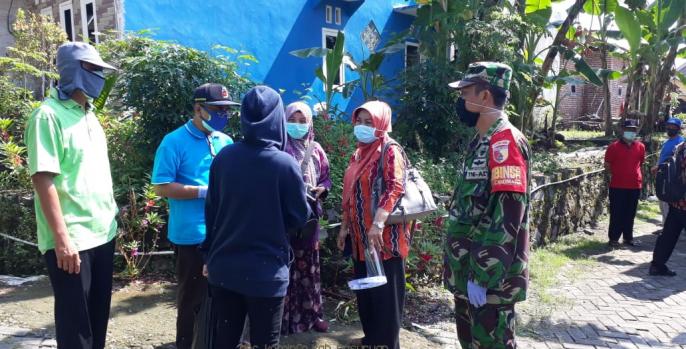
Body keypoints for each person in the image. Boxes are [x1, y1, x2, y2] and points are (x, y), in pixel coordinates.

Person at [24, 42, 118, 349]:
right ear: (72, 71)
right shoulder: (47, 116)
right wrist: (62, 241)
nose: (99, 77)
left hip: (103, 233)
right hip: (72, 241)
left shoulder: (89, 114)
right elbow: (43, 179)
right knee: (76, 328)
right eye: (93, 69)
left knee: (97, 321)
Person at [201, 85, 310, 349]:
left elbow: (212, 212)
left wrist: (207, 256)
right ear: (277, 119)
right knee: (264, 343)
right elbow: (299, 217)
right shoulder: (284, 164)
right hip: (266, 273)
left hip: (224, 268)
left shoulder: (224, 158)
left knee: (224, 340)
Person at [443, 62, 530, 349]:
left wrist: (482, 276)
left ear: (484, 96)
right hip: (469, 273)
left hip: (490, 282)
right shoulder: (482, 141)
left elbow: (506, 216)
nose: (461, 100)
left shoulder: (504, 143)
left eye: (465, 92)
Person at [151, 83, 236, 348]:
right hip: (191, 235)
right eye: (216, 109)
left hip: (222, 234)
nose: (223, 115)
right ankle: (185, 343)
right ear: (198, 109)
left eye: (226, 110)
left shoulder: (226, 141)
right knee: (191, 299)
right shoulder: (174, 141)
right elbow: (161, 185)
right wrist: (202, 192)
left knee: (222, 298)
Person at [336, 100, 409, 349]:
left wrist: (377, 224)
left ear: (382, 124)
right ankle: (371, 340)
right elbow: (350, 191)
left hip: (384, 240)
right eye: (360, 121)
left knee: (386, 298)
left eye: (370, 122)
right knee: (366, 294)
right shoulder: (358, 152)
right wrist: (345, 226)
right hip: (359, 239)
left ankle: (387, 343)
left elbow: (395, 186)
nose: (363, 127)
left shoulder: (389, 150)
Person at [282, 102, 331, 334]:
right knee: (287, 268)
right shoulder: (279, 147)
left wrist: (322, 188)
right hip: (285, 220)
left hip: (309, 220)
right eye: (293, 120)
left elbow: (326, 177)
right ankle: (284, 319)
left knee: (309, 268)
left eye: (303, 121)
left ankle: (312, 315)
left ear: (310, 123)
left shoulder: (316, 148)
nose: (298, 125)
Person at [604, 119, 645, 248]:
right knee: (617, 212)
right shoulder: (613, 147)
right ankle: (614, 238)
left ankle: (628, 238)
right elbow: (607, 165)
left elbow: (641, 163)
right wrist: (618, 174)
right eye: (628, 129)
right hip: (618, 185)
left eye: (633, 130)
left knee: (630, 213)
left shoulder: (640, 147)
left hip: (635, 185)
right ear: (622, 130)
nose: (631, 132)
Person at [652, 117, 684, 224]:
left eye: (673, 127)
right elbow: (663, 156)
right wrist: (657, 166)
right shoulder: (666, 142)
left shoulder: (681, 142)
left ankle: (667, 226)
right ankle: (664, 224)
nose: (670, 128)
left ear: (678, 129)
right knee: (662, 200)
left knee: (667, 200)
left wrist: (660, 167)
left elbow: (675, 160)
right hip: (662, 174)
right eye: (668, 126)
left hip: (671, 176)